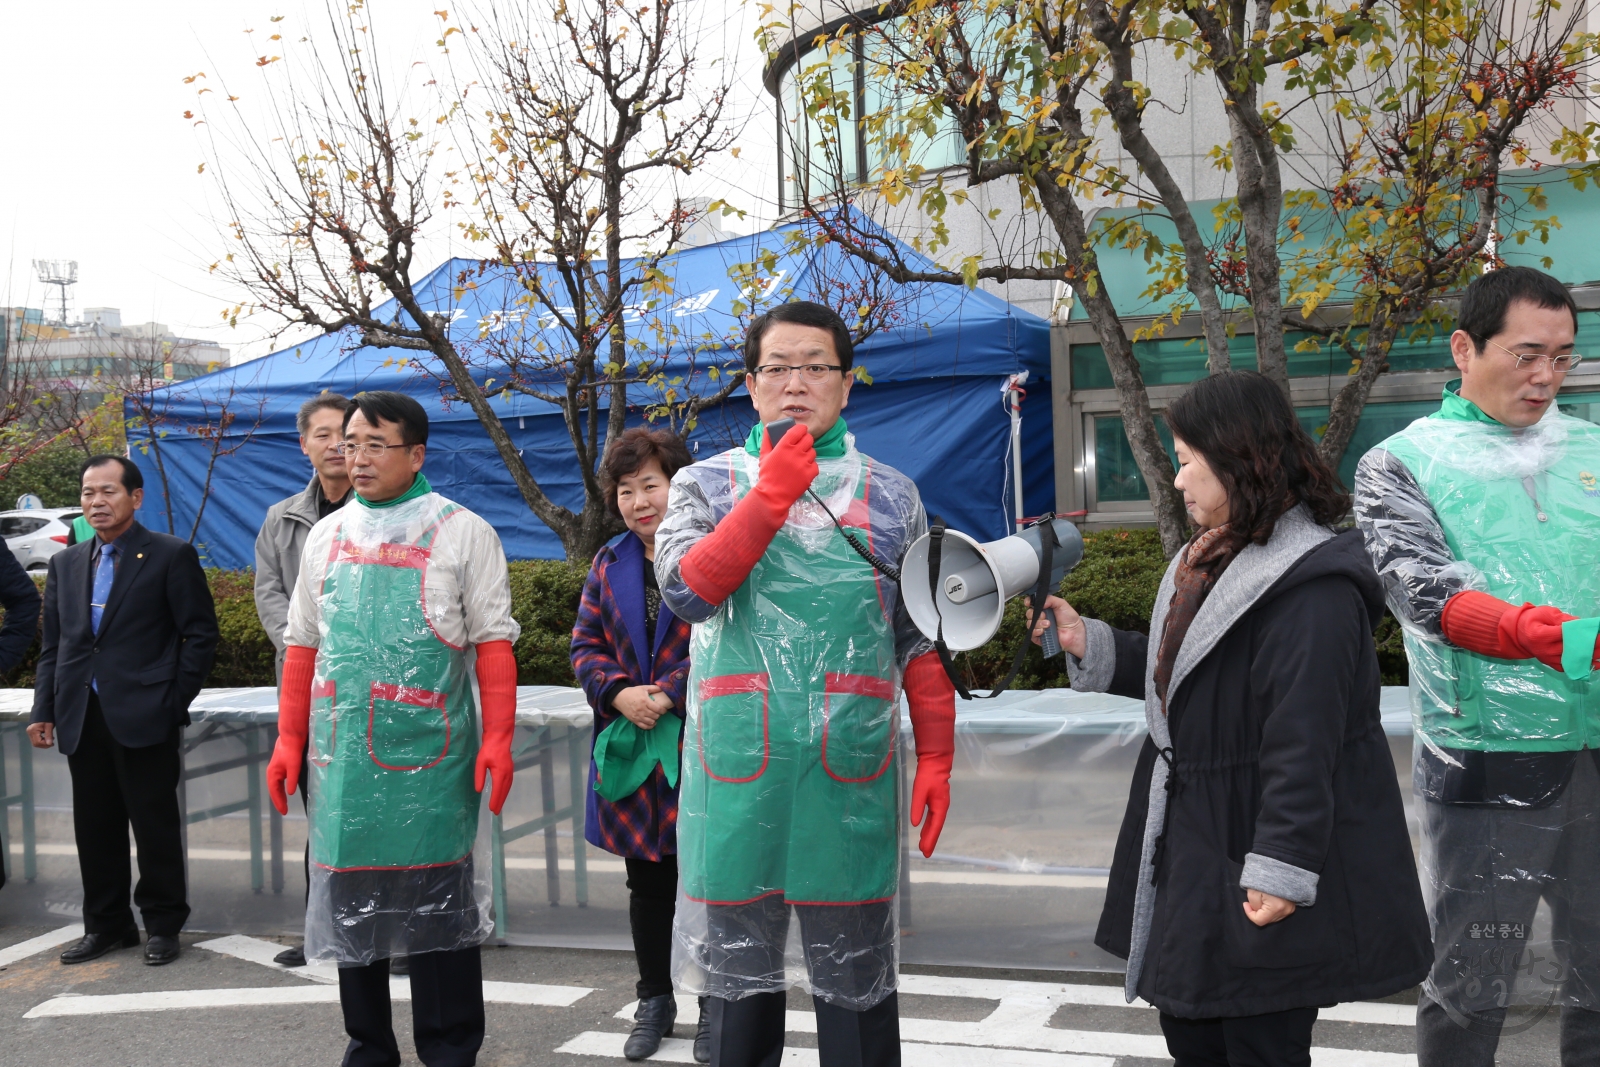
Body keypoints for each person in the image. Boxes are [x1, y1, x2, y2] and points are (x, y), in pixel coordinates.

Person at [1036, 371, 1430, 1066]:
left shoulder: (1311, 590)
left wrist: (1280, 869)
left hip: (1252, 846)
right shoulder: (1213, 558)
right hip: (1198, 842)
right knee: (1195, 1029)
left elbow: (1303, 746)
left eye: (1187, 458)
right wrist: (1087, 643)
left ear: (1237, 456)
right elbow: (1192, 682)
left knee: (1256, 1040)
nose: (1178, 477)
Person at [655, 300, 958, 1067]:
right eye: (778, 368)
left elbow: (917, 634)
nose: (797, 383)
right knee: (736, 995)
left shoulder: (894, 497)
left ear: (847, 383)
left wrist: (938, 753)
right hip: (737, 774)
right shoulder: (703, 484)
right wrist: (767, 496)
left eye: (816, 366)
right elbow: (689, 592)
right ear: (750, 385)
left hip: (847, 775)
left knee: (856, 989)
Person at [1354, 266, 1600, 1066]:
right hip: (1491, 757)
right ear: (1465, 347)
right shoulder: (1400, 463)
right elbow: (1427, 596)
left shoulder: (1593, 448)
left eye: (1563, 357)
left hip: (1595, 744)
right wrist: (1553, 636)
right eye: (1527, 353)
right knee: (1474, 981)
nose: (1546, 376)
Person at [266, 391, 519, 1067]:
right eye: (351, 443)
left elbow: (494, 642)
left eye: (376, 444)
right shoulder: (327, 535)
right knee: (355, 915)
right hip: (345, 760)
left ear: (416, 454)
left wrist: (498, 737)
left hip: (432, 758)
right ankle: (368, 1045)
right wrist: (289, 738)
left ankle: (450, 1046)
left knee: (439, 916)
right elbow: (302, 646)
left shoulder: (462, 531)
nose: (358, 457)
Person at [27, 455, 219, 966]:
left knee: (153, 827)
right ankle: (107, 926)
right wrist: (42, 708)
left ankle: (162, 925)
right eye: (88, 493)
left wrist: (172, 699)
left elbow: (199, 635)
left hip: (145, 713)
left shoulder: (170, 556)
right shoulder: (67, 564)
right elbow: (57, 647)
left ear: (135, 497)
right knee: (95, 828)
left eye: (108, 491)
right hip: (81, 713)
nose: (96, 502)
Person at [571, 428, 701, 1061]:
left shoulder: (711, 553)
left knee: (707, 877)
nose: (638, 501)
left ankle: (717, 1001)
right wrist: (620, 692)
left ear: (681, 484)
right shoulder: (609, 560)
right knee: (646, 884)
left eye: (652, 484)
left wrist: (670, 692)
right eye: (626, 490)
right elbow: (584, 644)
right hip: (631, 744)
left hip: (699, 745)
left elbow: (728, 641)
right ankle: (655, 999)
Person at [253, 390, 352, 968]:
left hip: (371, 687)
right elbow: (269, 592)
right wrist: (303, 648)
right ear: (305, 445)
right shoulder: (282, 517)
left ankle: (397, 931)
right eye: (324, 434)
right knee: (324, 811)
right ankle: (324, 929)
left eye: (347, 432)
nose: (337, 444)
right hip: (306, 688)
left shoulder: (383, 509)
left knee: (385, 809)